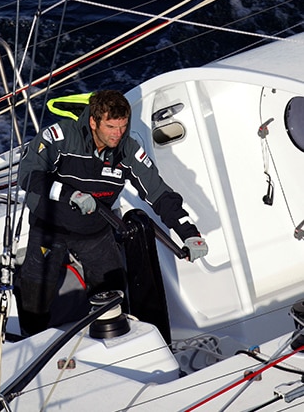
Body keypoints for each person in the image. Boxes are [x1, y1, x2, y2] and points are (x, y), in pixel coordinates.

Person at [17, 89, 207, 335]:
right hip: (50, 227)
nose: (118, 134)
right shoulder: (60, 137)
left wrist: (189, 232)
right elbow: (28, 176)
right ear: (93, 122)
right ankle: (31, 341)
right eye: (110, 127)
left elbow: (159, 193)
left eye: (123, 126)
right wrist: (70, 195)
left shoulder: (127, 149)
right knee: (35, 298)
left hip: (94, 230)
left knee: (114, 299)